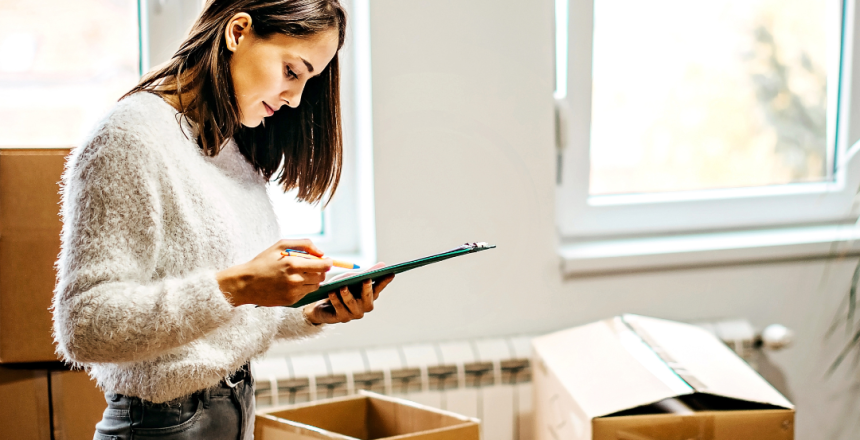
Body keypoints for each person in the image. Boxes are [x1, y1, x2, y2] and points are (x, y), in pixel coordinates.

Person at [50, 1, 393, 439]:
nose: (295, 99)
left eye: (309, 81)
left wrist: (312, 309)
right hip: (162, 427)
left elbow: (219, 321)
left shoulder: (226, 146)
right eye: (292, 71)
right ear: (237, 32)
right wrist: (238, 286)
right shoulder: (129, 138)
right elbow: (84, 325)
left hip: (231, 411)